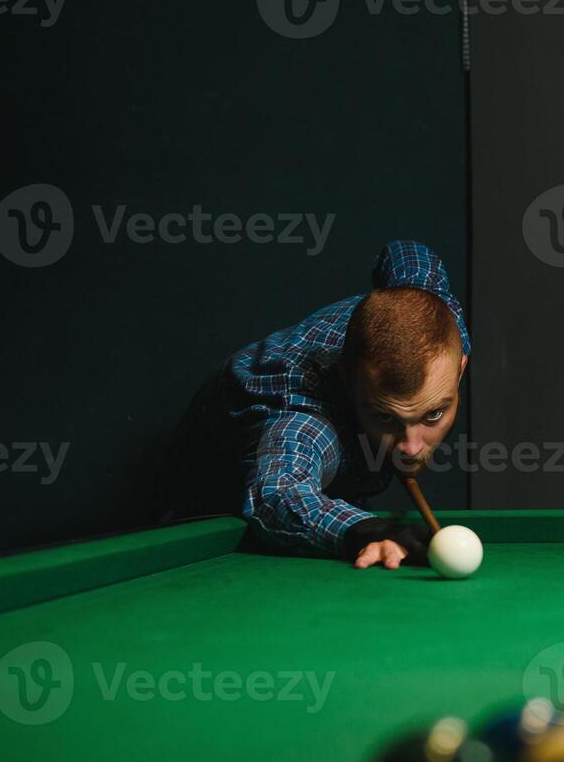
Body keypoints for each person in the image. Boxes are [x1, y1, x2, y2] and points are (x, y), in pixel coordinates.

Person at [158, 240, 468, 570]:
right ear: (347, 380)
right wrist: (369, 529)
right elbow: (277, 493)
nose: (410, 446)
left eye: (433, 413)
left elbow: (406, 253)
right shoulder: (307, 417)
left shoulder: (435, 311)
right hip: (206, 502)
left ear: (460, 368)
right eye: (384, 416)